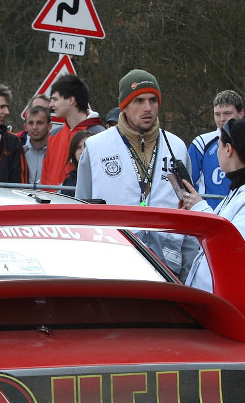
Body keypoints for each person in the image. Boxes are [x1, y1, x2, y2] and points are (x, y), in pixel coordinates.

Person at [180, 118, 245, 352]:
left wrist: (201, 209)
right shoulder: (241, 192)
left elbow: (231, 249)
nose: (217, 152)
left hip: (242, 324)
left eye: (219, 146)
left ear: (229, 149)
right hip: (225, 317)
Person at [76, 69, 193, 275]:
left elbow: (191, 213)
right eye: (139, 101)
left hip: (168, 269)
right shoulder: (96, 147)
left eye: (153, 100)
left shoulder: (177, 147)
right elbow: (80, 215)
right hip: (112, 265)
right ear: (124, 106)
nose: (148, 108)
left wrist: (187, 272)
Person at [41, 74, 103, 187]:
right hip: (49, 198)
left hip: (78, 198)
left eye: (55, 99)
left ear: (71, 100)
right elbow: (45, 176)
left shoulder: (99, 135)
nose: (51, 104)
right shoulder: (53, 135)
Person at [188, 90, 244, 200]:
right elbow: (187, 183)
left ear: (241, 113)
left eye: (227, 114)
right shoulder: (201, 143)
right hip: (209, 210)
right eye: (217, 114)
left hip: (241, 208)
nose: (222, 119)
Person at [22, 105, 50, 185]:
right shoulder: (19, 153)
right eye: (31, 123)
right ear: (25, 127)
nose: (34, 127)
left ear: (49, 126)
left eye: (40, 123)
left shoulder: (56, 153)